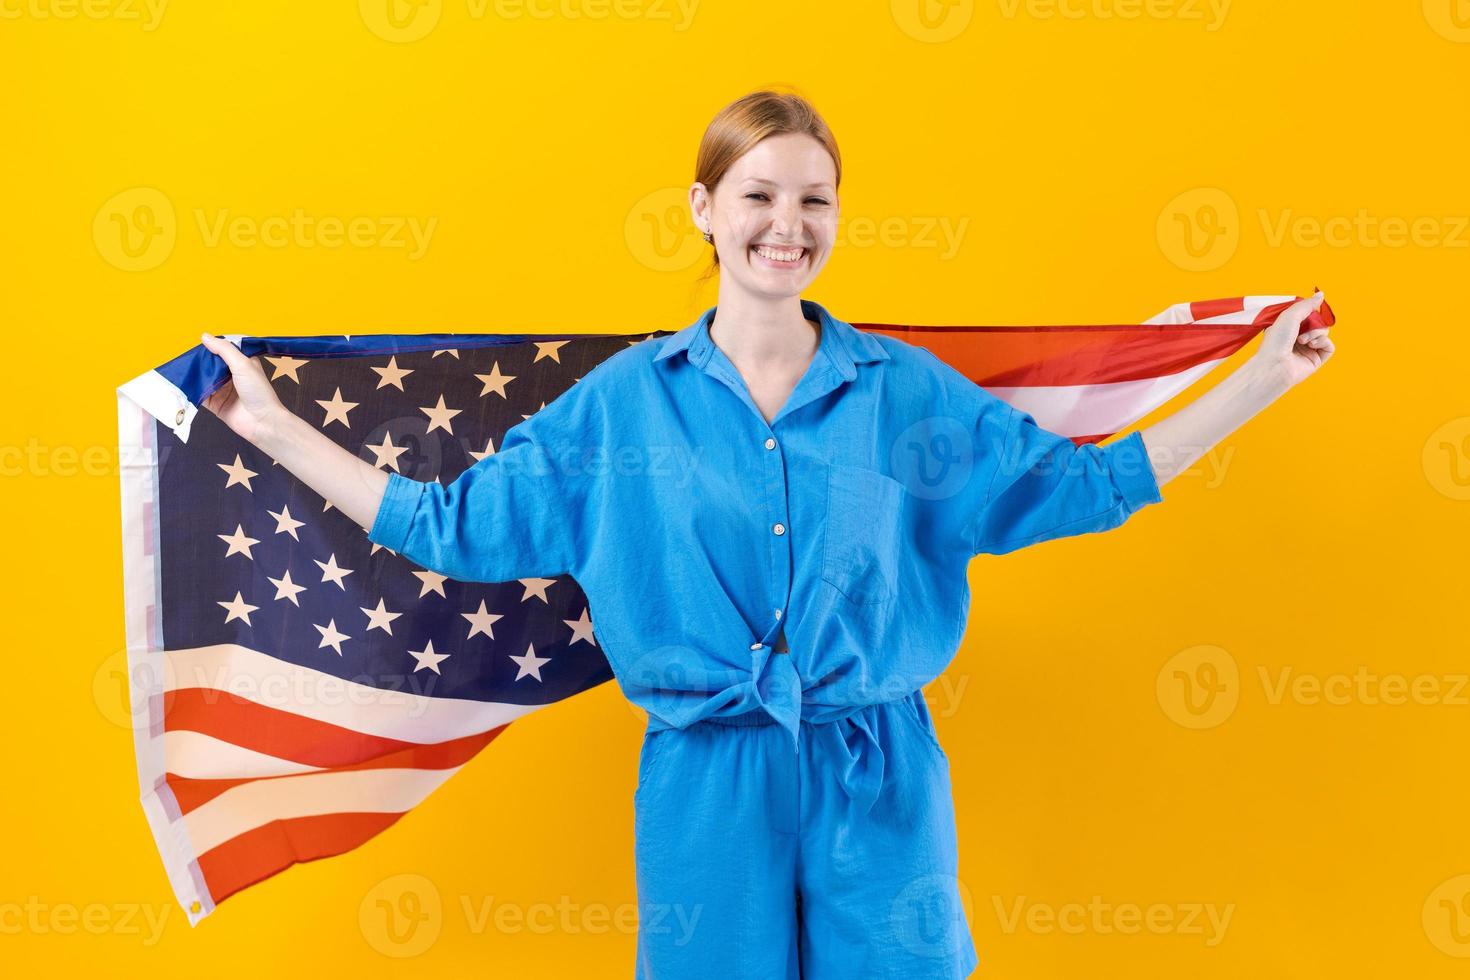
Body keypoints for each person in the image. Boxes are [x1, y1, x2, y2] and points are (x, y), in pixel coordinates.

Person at [198, 88, 1335, 979]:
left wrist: (1265, 382)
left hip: (877, 773)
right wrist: (276, 428)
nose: (786, 226)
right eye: (758, 195)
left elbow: (1079, 489)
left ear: (838, 216)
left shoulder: (905, 394)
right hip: (706, 779)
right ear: (703, 208)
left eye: (814, 200)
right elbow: (449, 525)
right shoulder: (623, 403)